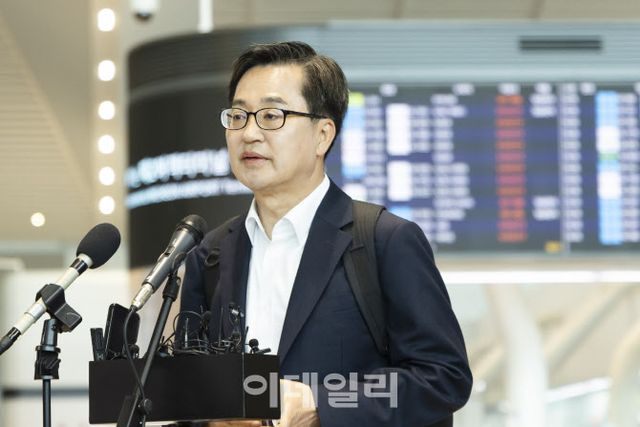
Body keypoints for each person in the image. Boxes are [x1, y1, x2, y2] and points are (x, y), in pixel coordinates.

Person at [180, 41, 472, 427]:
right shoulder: (210, 254)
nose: (249, 133)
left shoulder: (384, 240)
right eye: (238, 115)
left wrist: (321, 401)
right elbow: (188, 393)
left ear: (323, 135)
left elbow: (442, 377)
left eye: (271, 115)